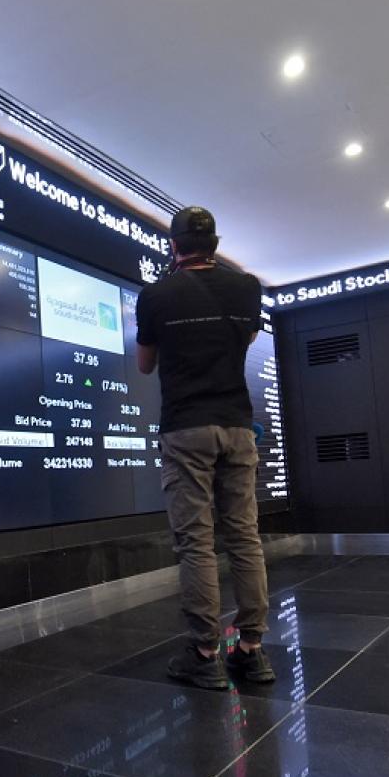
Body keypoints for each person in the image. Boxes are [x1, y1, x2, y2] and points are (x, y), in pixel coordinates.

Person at [135, 206, 274, 690]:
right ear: (215, 244)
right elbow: (244, 340)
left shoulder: (156, 295)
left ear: (174, 246)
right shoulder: (247, 288)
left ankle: (204, 652)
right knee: (244, 536)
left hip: (186, 428)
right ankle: (251, 650)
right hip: (236, 425)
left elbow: (145, 364)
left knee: (196, 541)